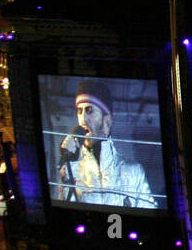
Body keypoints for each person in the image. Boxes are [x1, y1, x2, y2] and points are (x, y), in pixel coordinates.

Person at [56, 80, 159, 208]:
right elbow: (65, 213)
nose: (83, 119)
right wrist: (71, 165)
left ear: (107, 120)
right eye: (79, 111)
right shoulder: (73, 169)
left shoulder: (133, 171)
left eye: (89, 111)